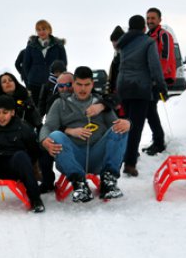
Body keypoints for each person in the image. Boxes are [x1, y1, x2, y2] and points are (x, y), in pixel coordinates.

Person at [39, 66, 130, 202]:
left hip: (97, 155)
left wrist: (127, 124)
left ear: (92, 84)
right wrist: (44, 140)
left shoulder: (100, 103)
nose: (83, 89)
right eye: (79, 84)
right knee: (55, 135)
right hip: (72, 156)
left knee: (119, 128)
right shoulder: (60, 103)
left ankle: (109, 181)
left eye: (87, 85)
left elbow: (115, 124)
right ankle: (79, 184)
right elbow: (48, 126)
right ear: (74, 84)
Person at [116, 15, 167, 177]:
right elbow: (154, 66)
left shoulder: (122, 43)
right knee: (135, 127)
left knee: (125, 124)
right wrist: (161, 86)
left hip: (123, 87)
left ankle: (122, 158)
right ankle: (130, 164)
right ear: (143, 28)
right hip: (140, 88)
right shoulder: (148, 42)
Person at [142, 7, 176, 156]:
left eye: (152, 18)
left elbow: (165, 58)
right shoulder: (148, 36)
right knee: (150, 111)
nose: (150, 21)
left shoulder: (164, 35)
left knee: (150, 110)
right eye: (148, 18)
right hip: (149, 80)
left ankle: (159, 142)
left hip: (158, 80)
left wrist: (157, 79)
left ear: (159, 20)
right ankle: (157, 140)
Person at [37, 71, 74, 193]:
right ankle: (47, 181)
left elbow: (109, 99)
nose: (65, 88)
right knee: (44, 145)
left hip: (82, 137)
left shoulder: (86, 95)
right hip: (61, 135)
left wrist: (104, 104)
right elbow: (50, 123)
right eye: (61, 86)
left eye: (68, 84)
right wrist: (44, 140)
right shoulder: (54, 100)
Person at [23, 19, 67, 107]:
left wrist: (58, 78)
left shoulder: (58, 46)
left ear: (49, 30)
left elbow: (63, 63)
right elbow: (26, 65)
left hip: (53, 83)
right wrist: (30, 78)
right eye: (38, 30)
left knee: (52, 108)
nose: (41, 32)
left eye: (44, 29)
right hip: (34, 84)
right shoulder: (31, 46)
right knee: (35, 110)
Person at [107, 25, 126, 118]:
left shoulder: (124, 56)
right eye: (113, 41)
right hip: (116, 93)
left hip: (122, 95)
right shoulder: (117, 56)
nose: (114, 44)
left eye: (115, 41)